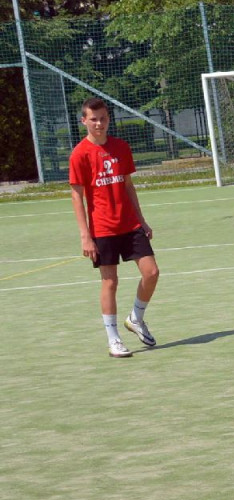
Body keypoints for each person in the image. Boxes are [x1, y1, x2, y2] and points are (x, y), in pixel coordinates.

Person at [69, 97, 159, 358]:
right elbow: (77, 195)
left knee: (152, 272)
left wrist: (141, 220)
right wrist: (86, 236)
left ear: (109, 119)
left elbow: (129, 186)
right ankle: (113, 339)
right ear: (84, 121)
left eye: (103, 118)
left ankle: (136, 319)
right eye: (93, 119)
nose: (99, 124)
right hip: (103, 229)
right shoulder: (79, 154)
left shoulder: (121, 147)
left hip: (129, 224)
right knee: (110, 281)